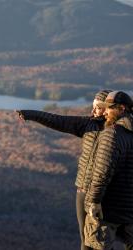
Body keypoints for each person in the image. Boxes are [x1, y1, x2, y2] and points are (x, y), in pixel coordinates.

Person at [16, 90, 112, 250]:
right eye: (92, 106)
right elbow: (58, 121)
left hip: (105, 193)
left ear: (107, 108)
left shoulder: (119, 131)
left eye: (97, 107)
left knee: (103, 240)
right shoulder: (88, 124)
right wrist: (31, 114)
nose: (92, 111)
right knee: (85, 239)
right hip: (82, 190)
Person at [84, 91, 133, 250]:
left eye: (109, 108)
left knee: (96, 245)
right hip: (132, 207)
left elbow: (102, 172)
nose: (106, 112)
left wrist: (94, 201)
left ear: (121, 108)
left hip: (109, 208)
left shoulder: (112, 133)